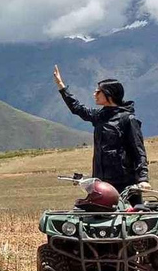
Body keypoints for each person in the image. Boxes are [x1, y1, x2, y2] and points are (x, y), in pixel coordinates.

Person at [53, 65, 150, 200]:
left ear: (109, 94)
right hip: (101, 184)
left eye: (98, 92)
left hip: (125, 185)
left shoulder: (128, 119)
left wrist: (143, 179)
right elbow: (77, 108)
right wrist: (61, 87)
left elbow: (139, 151)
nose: (94, 94)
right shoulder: (99, 116)